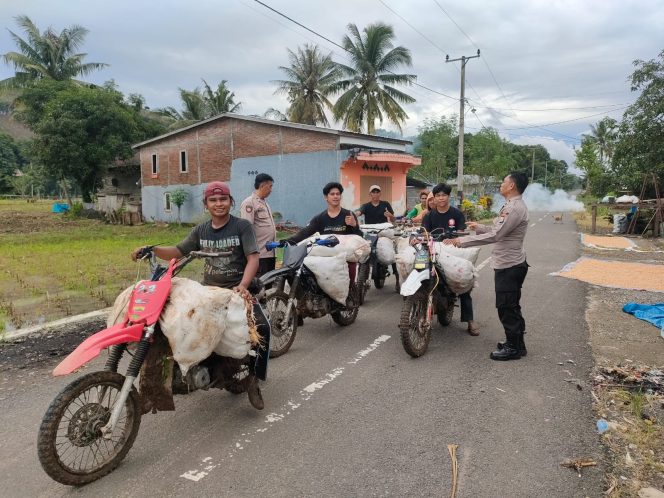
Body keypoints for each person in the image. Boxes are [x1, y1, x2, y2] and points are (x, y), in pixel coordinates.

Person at [131, 181, 269, 409]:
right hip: (210, 291)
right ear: (206, 205)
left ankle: (254, 378)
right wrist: (152, 249)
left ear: (230, 202)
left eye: (223, 199)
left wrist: (243, 285)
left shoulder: (242, 226)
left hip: (238, 287)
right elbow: (177, 251)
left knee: (261, 329)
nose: (219, 204)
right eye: (213, 200)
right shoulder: (201, 230)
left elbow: (253, 258)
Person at [443, 172, 530, 361]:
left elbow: (496, 236)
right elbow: (499, 231)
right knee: (511, 305)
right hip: (509, 262)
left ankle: (514, 348)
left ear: (512, 185)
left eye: (504, 181)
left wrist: (462, 240)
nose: (501, 184)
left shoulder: (514, 208)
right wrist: (479, 227)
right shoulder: (511, 206)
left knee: (506, 306)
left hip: (510, 264)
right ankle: (516, 343)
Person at [422, 183, 479, 336]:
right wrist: (417, 239)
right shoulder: (429, 215)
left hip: (454, 252)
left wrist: (454, 239)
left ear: (448, 197)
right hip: (434, 251)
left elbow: (462, 232)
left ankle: (470, 321)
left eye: (444, 195)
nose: (441, 198)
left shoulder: (457, 214)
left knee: (463, 284)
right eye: (438, 195)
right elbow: (424, 234)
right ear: (434, 198)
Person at [287, 181, 362, 281]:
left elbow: (359, 237)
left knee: (351, 269)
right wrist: (289, 241)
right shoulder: (320, 218)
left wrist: (354, 225)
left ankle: (352, 292)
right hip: (326, 256)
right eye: (332, 194)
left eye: (338, 194)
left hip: (344, 256)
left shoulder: (349, 215)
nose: (336, 196)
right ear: (326, 197)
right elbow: (305, 232)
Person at [355, 184, 398, 290]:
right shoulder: (366, 206)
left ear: (380, 193)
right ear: (370, 194)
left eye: (377, 191)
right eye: (373, 192)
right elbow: (358, 212)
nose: (375, 193)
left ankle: (398, 279)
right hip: (370, 233)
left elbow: (393, 220)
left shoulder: (385, 204)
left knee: (394, 251)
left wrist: (390, 216)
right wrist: (354, 214)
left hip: (383, 232)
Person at [240, 173, 277, 276]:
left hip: (269, 252)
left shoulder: (264, 203)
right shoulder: (249, 203)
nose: (271, 190)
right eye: (270, 186)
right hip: (259, 254)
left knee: (269, 282)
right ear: (262, 186)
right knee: (260, 284)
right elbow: (246, 229)